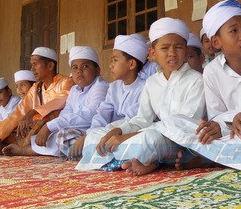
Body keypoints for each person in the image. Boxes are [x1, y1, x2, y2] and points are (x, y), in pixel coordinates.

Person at [160, 0, 241, 176]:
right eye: (234, 31)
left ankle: (213, 158)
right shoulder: (211, 71)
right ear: (216, 42)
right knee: (176, 121)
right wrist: (229, 120)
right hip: (232, 135)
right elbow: (216, 116)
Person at [76, 17, 206, 175]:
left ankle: (131, 158)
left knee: (151, 139)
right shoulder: (152, 82)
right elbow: (142, 119)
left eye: (178, 47)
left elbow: (184, 124)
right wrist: (119, 130)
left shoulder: (196, 80)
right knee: (97, 134)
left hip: (179, 140)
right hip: (151, 134)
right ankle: (143, 159)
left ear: (185, 51)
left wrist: (129, 136)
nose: (172, 53)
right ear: (152, 53)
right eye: (165, 48)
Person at [1, 46, 108, 158]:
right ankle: (36, 149)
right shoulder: (74, 90)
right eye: (75, 68)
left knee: (62, 135)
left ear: (97, 70)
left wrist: (50, 126)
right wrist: (52, 127)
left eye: (85, 66)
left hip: (95, 129)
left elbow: (88, 115)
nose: (79, 71)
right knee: (55, 134)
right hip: (77, 129)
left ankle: (30, 150)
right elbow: (66, 112)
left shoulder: (100, 87)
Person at [0, 47, 74, 157]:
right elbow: (17, 114)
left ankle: (24, 148)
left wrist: (32, 112)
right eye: (31, 65)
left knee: (46, 121)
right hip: (35, 129)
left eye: (35, 64)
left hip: (56, 127)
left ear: (50, 66)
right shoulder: (36, 87)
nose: (32, 69)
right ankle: (12, 146)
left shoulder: (66, 82)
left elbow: (61, 100)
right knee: (11, 131)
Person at [76, 34, 148, 163]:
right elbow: (102, 114)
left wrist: (112, 131)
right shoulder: (114, 87)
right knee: (93, 135)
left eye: (115, 60)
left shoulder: (145, 87)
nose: (110, 65)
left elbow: (134, 120)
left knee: (143, 140)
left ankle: (111, 158)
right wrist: (88, 135)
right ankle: (113, 158)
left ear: (131, 64)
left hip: (129, 132)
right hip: (110, 132)